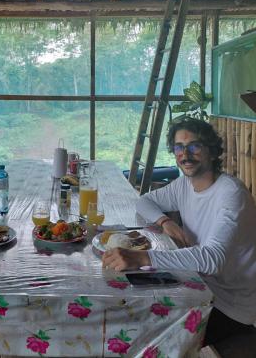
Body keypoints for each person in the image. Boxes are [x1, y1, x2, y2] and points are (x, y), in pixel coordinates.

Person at [103, 117, 256, 346]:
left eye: (194, 146)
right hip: (196, 283)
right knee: (129, 310)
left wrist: (143, 257)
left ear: (212, 152)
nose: (185, 154)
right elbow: (144, 202)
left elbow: (212, 258)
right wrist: (165, 221)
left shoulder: (231, 194)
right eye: (179, 147)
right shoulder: (184, 184)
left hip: (231, 305)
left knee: (148, 335)